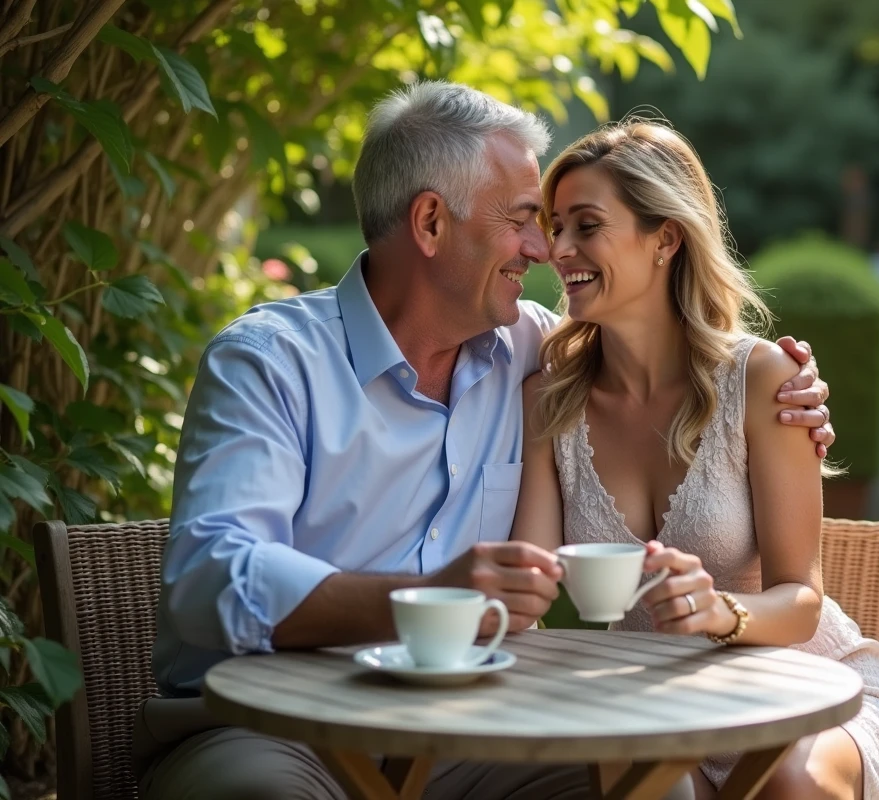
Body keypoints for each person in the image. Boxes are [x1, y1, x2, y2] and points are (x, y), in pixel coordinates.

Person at [135, 82, 837, 800]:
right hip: (273, 731)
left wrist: (789, 387)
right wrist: (426, 599)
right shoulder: (269, 362)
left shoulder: (532, 351)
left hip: (466, 733)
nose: (544, 251)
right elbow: (210, 578)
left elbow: (661, 343)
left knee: (650, 790)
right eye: (527, 221)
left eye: (561, 226)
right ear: (432, 222)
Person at [511, 121, 879, 800]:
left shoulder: (761, 380)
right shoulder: (548, 400)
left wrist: (720, 611)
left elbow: (801, 600)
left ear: (665, 238)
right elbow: (530, 584)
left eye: (585, 226)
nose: (557, 250)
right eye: (554, 227)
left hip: (802, 696)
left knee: (791, 784)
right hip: (655, 712)